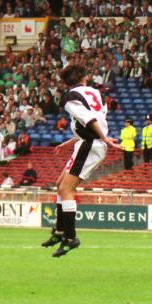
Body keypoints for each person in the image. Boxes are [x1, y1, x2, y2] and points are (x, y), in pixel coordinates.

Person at [41, 64, 122, 257]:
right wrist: (71, 141)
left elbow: (89, 120)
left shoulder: (71, 97)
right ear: (84, 77)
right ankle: (60, 231)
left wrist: (104, 139)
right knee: (60, 184)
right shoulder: (96, 93)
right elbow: (92, 120)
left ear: (65, 82)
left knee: (66, 189)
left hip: (90, 144)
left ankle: (70, 238)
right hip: (87, 142)